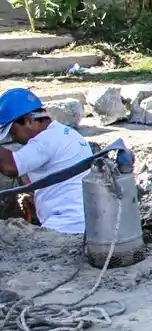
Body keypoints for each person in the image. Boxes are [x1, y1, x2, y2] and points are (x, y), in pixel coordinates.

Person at [0, 88, 92, 235]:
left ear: (28, 120)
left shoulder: (45, 140)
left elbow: (10, 167)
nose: (15, 139)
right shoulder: (66, 134)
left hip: (67, 225)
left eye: (13, 133)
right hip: (86, 221)